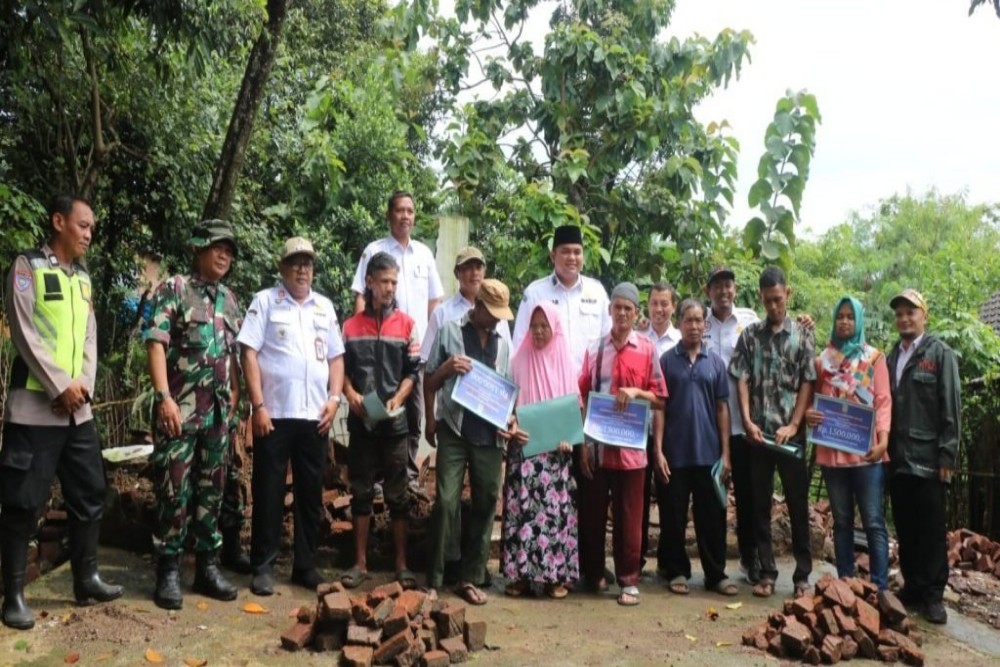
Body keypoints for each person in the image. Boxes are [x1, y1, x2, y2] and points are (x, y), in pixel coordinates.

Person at [1, 196, 122, 630]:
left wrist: (82, 387)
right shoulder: (27, 267)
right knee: (22, 502)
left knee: (90, 493)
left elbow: (89, 336)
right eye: (83, 225)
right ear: (58, 221)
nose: (89, 234)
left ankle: (86, 577)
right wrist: (59, 385)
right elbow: (23, 330)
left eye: (92, 227)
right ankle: (12, 593)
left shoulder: (83, 279)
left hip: (77, 415)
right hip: (35, 412)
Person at [144, 219, 243, 609]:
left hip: (218, 416)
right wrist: (163, 397)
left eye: (230, 251)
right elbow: (155, 342)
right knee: (174, 492)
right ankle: (169, 570)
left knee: (211, 493)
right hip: (179, 411)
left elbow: (233, 352)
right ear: (199, 247)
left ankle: (207, 567)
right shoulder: (175, 289)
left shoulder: (230, 299)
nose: (224, 255)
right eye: (218, 247)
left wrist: (236, 393)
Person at [237, 237, 345, 596]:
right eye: (295, 263)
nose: (302, 269)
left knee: (310, 494)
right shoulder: (266, 302)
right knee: (268, 490)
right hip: (275, 414)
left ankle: (305, 566)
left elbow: (336, 358)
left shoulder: (325, 308)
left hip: (315, 415)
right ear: (282, 268)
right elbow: (249, 353)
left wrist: (334, 399)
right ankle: (263, 567)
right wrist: (258, 405)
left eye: (308, 263)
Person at [420, 245, 511, 586]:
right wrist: (444, 372)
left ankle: (473, 574)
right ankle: (438, 575)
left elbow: (506, 388)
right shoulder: (449, 331)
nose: (499, 318)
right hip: (454, 429)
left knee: (488, 498)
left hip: (489, 434)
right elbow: (428, 381)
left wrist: (509, 420)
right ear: (480, 307)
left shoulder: (503, 341)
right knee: (445, 501)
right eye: (495, 312)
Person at [578, 282, 667, 607]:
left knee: (630, 517)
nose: (622, 314)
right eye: (618, 308)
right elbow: (583, 397)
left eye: (629, 309)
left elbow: (660, 400)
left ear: (636, 313)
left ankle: (629, 580)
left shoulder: (647, 350)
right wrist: (584, 445)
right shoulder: (594, 349)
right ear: (609, 310)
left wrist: (637, 393)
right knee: (592, 513)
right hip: (598, 449)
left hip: (632, 451)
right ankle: (593, 573)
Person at [729, 266, 816, 599]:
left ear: (788, 294)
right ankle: (766, 571)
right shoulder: (750, 335)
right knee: (759, 504)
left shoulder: (803, 335)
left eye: (778, 300)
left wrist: (795, 424)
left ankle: (802, 575)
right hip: (759, 436)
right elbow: (740, 377)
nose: (774, 307)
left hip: (791, 436)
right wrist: (748, 421)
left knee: (797, 504)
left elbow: (808, 380)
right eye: (767, 301)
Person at [340, 252, 422, 590]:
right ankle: (359, 563)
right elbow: (340, 371)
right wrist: (351, 395)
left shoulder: (407, 324)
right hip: (361, 423)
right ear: (369, 283)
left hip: (395, 425)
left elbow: (413, 372)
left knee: (398, 494)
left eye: (394, 282)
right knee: (360, 490)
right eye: (384, 281)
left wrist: (399, 398)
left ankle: (401, 564)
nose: (390, 288)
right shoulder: (349, 326)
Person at [351, 191, 444, 484]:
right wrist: (363, 341)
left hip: (412, 349)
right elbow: (359, 297)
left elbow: (435, 303)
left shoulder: (424, 254)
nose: (406, 216)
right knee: (376, 408)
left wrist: (429, 346)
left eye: (410, 211)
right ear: (389, 215)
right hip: (377, 348)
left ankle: (408, 474)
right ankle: (376, 479)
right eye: (400, 210)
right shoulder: (374, 250)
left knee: (412, 414)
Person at [804, 296, 891, 594]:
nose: (844, 321)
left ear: (858, 321)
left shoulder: (874, 358)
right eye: (839, 316)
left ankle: (879, 588)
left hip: (867, 452)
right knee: (841, 521)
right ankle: (845, 584)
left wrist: (883, 440)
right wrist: (808, 415)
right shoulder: (822, 361)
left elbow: (882, 401)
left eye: (849, 317)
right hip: (832, 453)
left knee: (874, 522)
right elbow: (812, 401)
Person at [885, 289, 960, 624]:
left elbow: (950, 408)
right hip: (898, 459)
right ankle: (913, 587)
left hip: (929, 458)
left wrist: (948, 456)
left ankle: (933, 596)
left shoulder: (939, 354)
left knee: (930, 529)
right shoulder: (890, 358)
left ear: (923, 315)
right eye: (899, 313)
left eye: (910, 312)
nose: (904, 318)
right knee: (906, 526)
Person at [659, 298, 737, 597]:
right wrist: (658, 451)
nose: (694, 325)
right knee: (674, 516)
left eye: (698, 320)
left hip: (709, 455)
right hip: (675, 454)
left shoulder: (715, 363)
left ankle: (715, 573)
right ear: (678, 324)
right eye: (688, 320)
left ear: (705, 324)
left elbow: (722, 409)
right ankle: (677, 570)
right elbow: (660, 408)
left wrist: (726, 453)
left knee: (712, 517)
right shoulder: (666, 361)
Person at [502, 302, 580, 600]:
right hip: (524, 450)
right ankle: (521, 577)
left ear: (555, 328)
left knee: (552, 515)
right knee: (523, 513)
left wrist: (568, 438)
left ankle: (552, 578)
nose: (538, 331)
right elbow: (508, 404)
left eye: (544, 325)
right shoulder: (519, 359)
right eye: (534, 325)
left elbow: (573, 408)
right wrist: (511, 422)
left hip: (555, 454)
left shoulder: (564, 361)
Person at [702, 266, 763, 584]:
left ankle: (750, 557)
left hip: (746, 424)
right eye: (717, 286)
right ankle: (715, 564)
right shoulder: (700, 323)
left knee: (749, 496)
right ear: (707, 291)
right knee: (714, 495)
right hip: (710, 426)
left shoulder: (750, 320)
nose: (724, 291)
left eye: (728, 285)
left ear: (735, 289)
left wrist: (803, 320)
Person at [512, 225, 611, 376]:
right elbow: (519, 345)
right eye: (565, 251)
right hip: (549, 388)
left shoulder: (597, 292)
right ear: (553, 256)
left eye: (577, 252)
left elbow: (609, 339)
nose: (572, 257)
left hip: (588, 389)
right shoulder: (535, 293)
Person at [638, 282, 680, 574]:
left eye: (665, 303)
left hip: (671, 433)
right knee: (638, 501)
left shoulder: (682, 341)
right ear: (648, 305)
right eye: (655, 303)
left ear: (673, 307)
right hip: (639, 431)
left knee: (670, 499)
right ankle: (636, 560)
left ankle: (667, 563)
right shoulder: (639, 339)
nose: (660, 309)